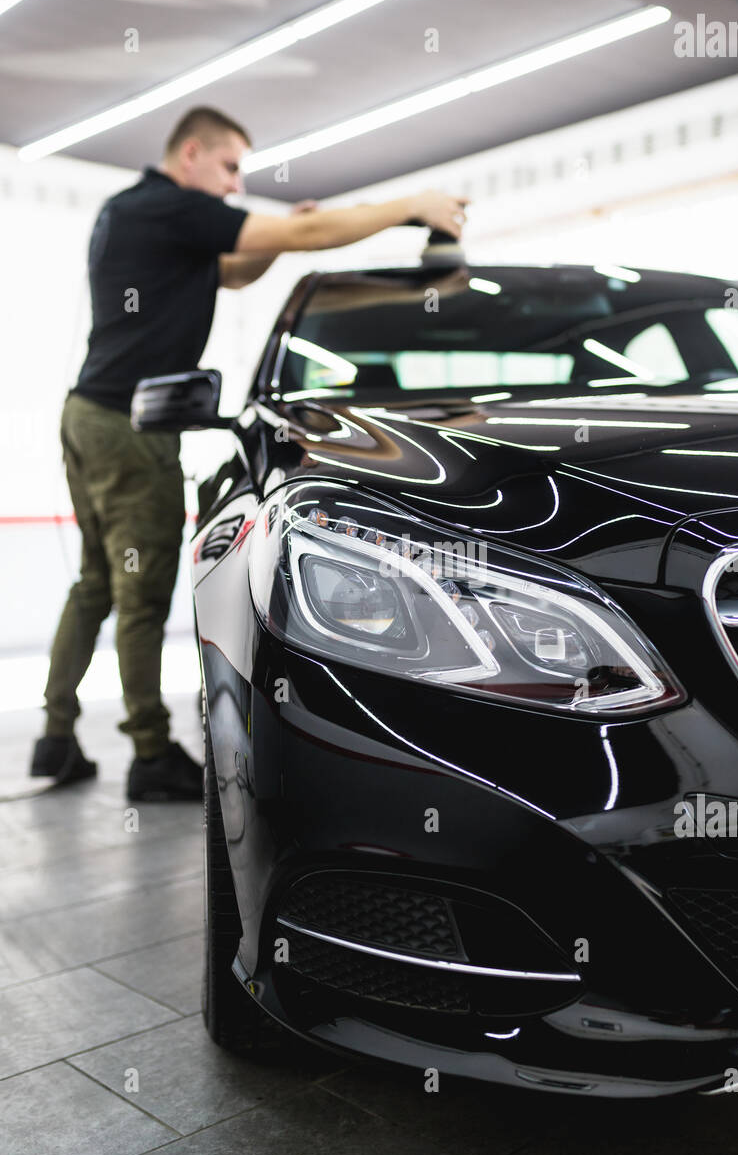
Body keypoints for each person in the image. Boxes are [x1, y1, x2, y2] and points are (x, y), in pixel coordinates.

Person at [30, 105, 468, 802]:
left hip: (87, 413)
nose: (234, 185)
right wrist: (409, 205)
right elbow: (305, 235)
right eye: (231, 167)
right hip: (130, 424)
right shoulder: (177, 207)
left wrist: (282, 236)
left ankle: (55, 738)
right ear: (193, 153)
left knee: (93, 586)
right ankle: (148, 754)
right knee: (139, 596)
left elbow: (231, 273)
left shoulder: (130, 210)